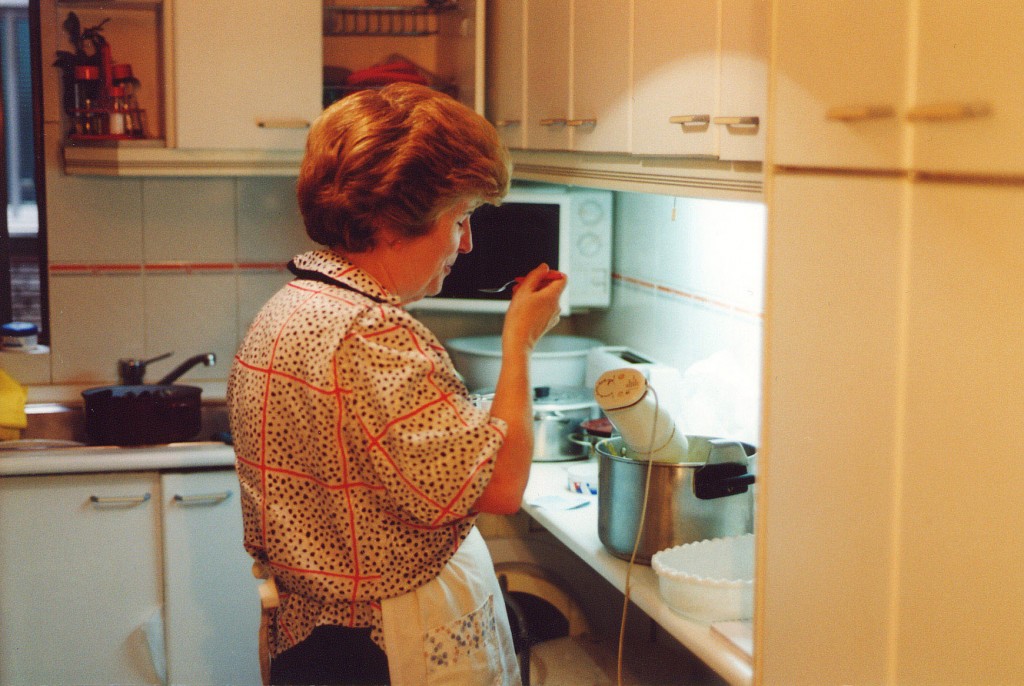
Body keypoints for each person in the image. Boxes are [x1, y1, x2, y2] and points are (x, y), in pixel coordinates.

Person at [228, 82, 566, 686]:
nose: (466, 242)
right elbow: (501, 487)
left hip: (312, 638)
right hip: (378, 651)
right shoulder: (372, 332)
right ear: (391, 221)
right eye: (459, 219)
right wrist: (520, 343)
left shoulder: (292, 304)